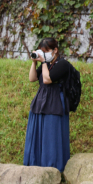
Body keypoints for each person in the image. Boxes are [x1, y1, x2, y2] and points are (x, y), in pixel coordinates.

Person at [24, 37, 71, 172]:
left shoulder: (63, 64)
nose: (43, 54)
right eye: (41, 51)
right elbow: (32, 78)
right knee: (37, 133)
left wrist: (43, 61)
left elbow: (47, 79)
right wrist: (34, 63)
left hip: (55, 101)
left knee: (51, 135)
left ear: (55, 50)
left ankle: (53, 168)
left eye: (46, 51)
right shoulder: (47, 64)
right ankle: (34, 164)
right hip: (41, 101)